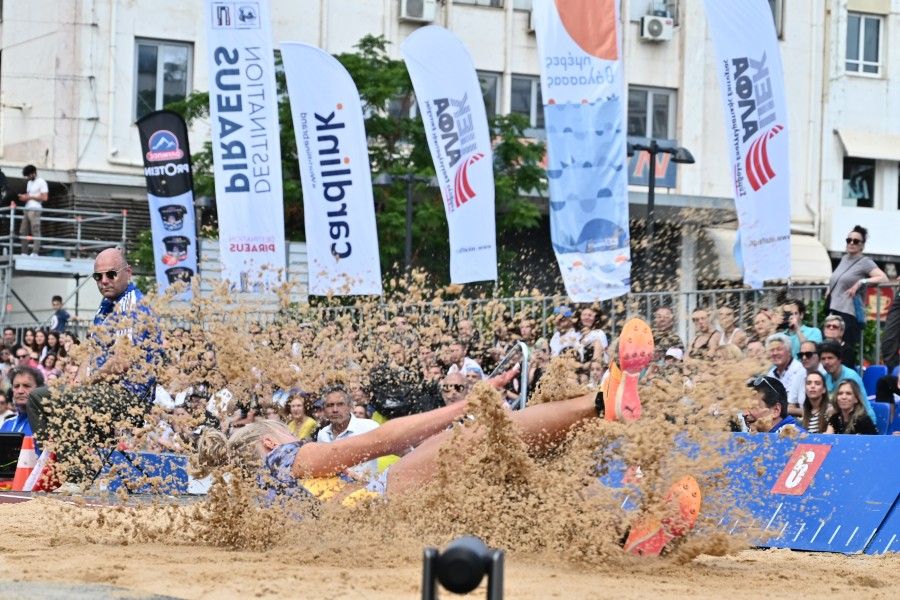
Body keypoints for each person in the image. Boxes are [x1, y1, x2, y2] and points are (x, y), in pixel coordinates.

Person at [825, 225, 887, 355]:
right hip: (833, 310)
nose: (851, 243)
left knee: (845, 353)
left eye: (856, 241)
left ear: (862, 246)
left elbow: (883, 278)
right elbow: (838, 279)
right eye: (849, 240)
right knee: (830, 352)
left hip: (848, 313)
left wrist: (861, 282)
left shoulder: (865, 261)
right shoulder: (843, 259)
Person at [316, 385, 381, 481]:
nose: (335, 410)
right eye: (330, 405)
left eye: (340, 404)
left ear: (350, 406)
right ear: (324, 410)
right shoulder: (322, 435)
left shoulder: (369, 427)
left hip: (367, 492)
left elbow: (400, 450)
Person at [817, 340, 875, 422]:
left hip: (862, 422)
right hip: (840, 420)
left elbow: (860, 407)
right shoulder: (825, 377)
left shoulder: (851, 376)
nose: (826, 362)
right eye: (823, 359)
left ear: (839, 359)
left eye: (830, 358)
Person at [765, 333, 805, 417]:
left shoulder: (800, 370)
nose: (775, 353)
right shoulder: (771, 373)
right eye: (772, 350)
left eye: (779, 349)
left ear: (789, 352)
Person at [0, 366, 43, 436]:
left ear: (39, 389)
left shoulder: (47, 423)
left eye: (26, 386)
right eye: (16, 386)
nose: (20, 391)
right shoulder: (7, 424)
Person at [17, 164, 48, 256]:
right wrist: (24, 197)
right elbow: (29, 196)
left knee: (35, 230)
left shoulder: (41, 182)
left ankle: (35, 252)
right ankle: (24, 252)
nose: (27, 177)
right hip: (27, 208)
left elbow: (44, 197)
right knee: (23, 231)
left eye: (28, 175)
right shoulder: (29, 183)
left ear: (34, 173)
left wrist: (29, 197)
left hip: (35, 209)